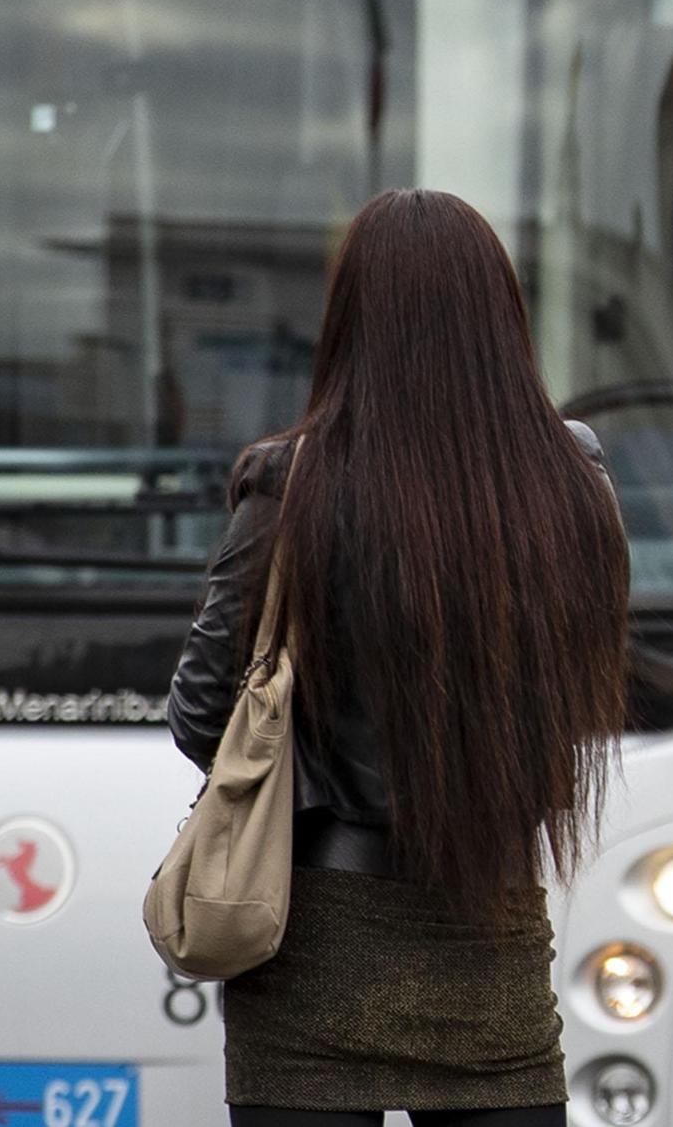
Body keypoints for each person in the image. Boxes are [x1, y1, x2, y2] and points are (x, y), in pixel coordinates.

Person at [166, 189, 632, 1127]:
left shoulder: (288, 482)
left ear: (349, 323)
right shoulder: (572, 480)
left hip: (310, 938)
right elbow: (584, 691)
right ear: (501, 319)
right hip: (489, 921)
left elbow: (201, 712)